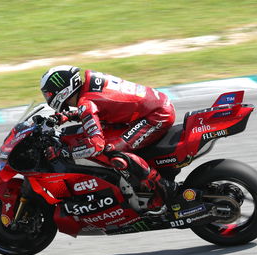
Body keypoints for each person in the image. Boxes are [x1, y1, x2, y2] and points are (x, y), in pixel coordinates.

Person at [40, 65, 178, 211]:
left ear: (62, 90)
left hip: (157, 115)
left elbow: (95, 145)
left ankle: (164, 189)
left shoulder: (86, 103)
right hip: (152, 108)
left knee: (111, 150)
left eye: (48, 94)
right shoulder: (88, 88)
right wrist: (67, 116)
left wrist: (64, 152)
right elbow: (103, 107)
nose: (48, 97)